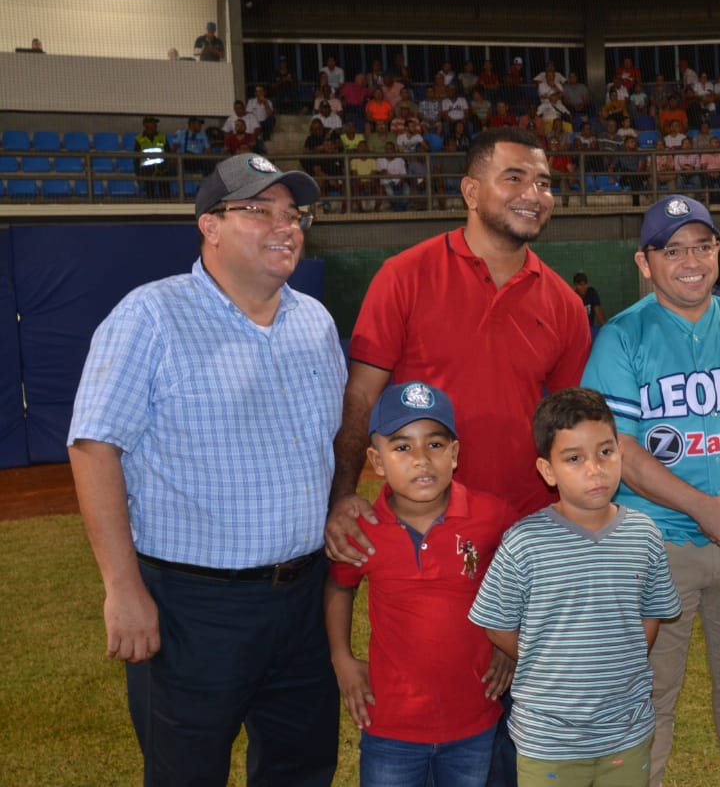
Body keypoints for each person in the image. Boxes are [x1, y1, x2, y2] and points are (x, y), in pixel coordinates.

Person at [325, 127, 592, 785]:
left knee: (513, 739)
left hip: (521, 542)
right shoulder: (405, 275)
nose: (535, 194)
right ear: (470, 190)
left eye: (545, 182)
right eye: (515, 178)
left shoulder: (562, 302)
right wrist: (340, 496)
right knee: (430, 687)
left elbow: (571, 435)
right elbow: (361, 398)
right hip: (422, 527)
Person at [67, 153, 344, 785]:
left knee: (301, 769)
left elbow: (322, 444)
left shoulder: (315, 322)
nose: (286, 226)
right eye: (259, 210)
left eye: (293, 213)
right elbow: (93, 448)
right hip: (194, 606)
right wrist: (123, 588)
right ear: (210, 226)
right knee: (187, 772)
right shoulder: (150, 316)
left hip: (302, 599)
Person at [580, 194, 720, 787]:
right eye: (672, 249)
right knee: (650, 692)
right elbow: (619, 451)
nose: (690, 260)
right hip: (656, 545)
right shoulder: (620, 337)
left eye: (701, 246)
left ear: (718, 251)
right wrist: (704, 508)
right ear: (644, 262)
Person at [469, 387, 682, 787]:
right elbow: (496, 624)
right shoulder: (524, 542)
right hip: (548, 742)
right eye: (574, 458)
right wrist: (545, 657)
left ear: (620, 450)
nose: (594, 469)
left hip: (626, 733)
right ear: (547, 471)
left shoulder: (644, 535)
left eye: (605, 452)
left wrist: (623, 651)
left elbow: (652, 611)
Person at [325, 381, 512, 787]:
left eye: (435, 444)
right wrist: (342, 658)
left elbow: (523, 583)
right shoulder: (362, 530)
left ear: (455, 454)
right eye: (402, 447)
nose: (421, 460)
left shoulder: (491, 517)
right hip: (391, 726)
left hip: (473, 721)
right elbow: (340, 587)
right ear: (376, 460)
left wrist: (510, 647)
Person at [133, 115, 169, 199]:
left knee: (165, 186)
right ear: (146, 125)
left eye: (155, 123)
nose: (155, 125)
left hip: (161, 168)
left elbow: (168, 153)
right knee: (149, 190)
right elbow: (136, 158)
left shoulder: (162, 137)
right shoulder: (139, 139)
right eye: (153, 123)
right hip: (146, 170)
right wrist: (137, 174)